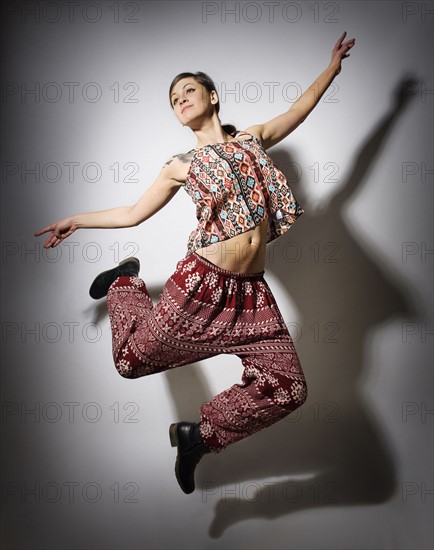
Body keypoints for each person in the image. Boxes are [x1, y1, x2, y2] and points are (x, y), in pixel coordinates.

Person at [34, 32, 355, 494]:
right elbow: (132, 213)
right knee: (129, 361)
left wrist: (331, 69)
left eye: (188, 90)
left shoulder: (251, 140)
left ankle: (196, 437)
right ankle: (125, 284)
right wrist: (77, 221)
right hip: (201, 285)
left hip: (252, 297)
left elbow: (299, 108)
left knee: (289, 387)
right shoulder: (181, 164)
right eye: (173, 99)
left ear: (213, 96)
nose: (181, 100)